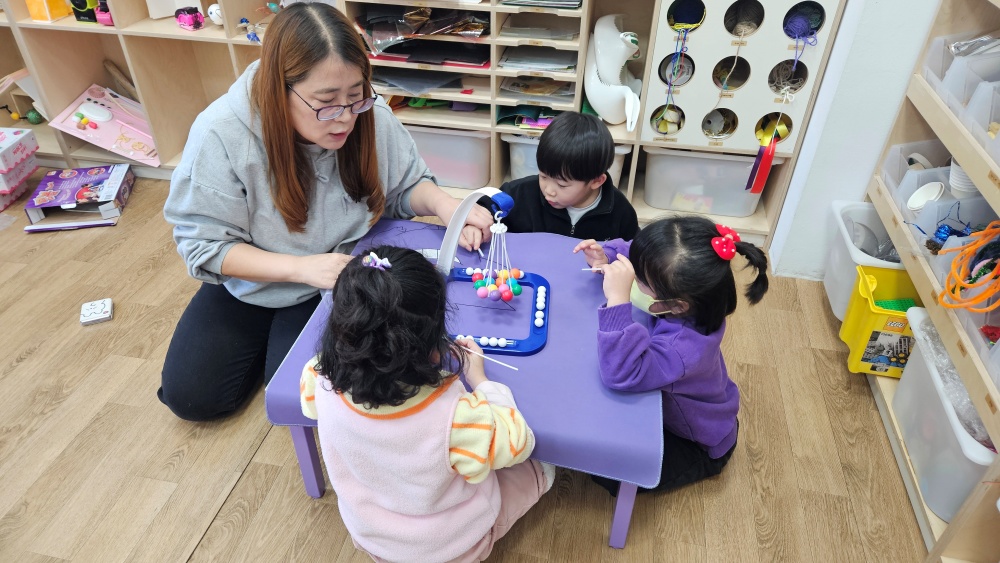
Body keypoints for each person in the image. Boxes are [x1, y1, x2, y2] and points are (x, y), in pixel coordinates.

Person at [160, 3, 492, 421]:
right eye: (327, 102)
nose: (346, 117)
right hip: (252, 281)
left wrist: (446, 205)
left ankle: (272, 351)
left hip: (334, 282)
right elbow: (204, 246)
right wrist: (301, 268)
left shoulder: (370, 115)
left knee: (306, 399)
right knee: (192, 398)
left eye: (356, 96)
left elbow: (405, 186)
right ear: (279, 89)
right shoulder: (221, 134)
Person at [300, 246, 554, 562]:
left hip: (373, 539)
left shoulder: (317, 376)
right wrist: (481, 381)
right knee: (541, 469)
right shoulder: (456, 417)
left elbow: (311, 408)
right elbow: (518, 443)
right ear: (433, 346)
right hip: (453, 549)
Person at [573, 216, 769, 494]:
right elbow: (640, 254)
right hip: (702, 403)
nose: (631, 278)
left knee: (606, 470)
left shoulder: (682, 349)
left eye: (638, 281)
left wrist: (617, 300)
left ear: (677, 306)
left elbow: (620, 373)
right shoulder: (698, 298)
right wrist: (608, 255)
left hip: (697, 442)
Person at [466, 112, 638, 244]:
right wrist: (472, 226)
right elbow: (481, 208)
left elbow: (633, 248)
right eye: (543, 176)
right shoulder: (521, 193)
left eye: (562, 185)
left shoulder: (619, 211)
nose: (548, 190)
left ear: (596, 181)